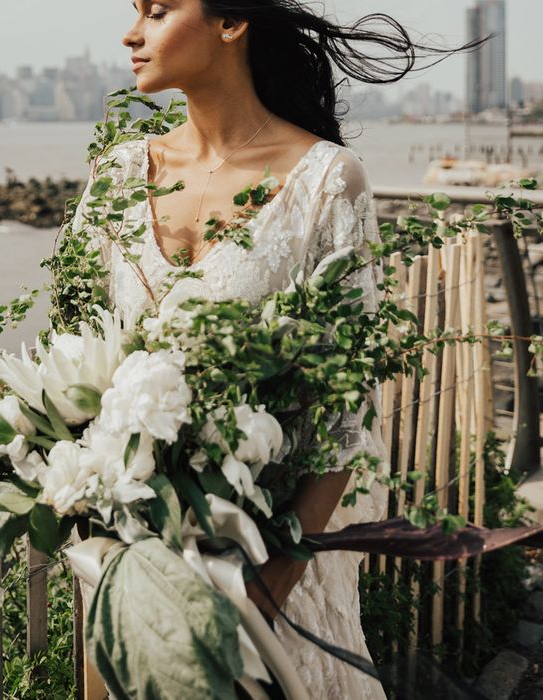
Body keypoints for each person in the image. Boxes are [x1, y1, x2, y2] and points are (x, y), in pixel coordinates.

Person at [71, 2, 483, 697]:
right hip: (132, 566)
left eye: (159, 10)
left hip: (268, 569)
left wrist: (265, 592)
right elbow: (77, 361)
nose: (131, 33)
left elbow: (344, 420)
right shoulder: (114, 179)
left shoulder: (327, 182)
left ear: (231, 21)